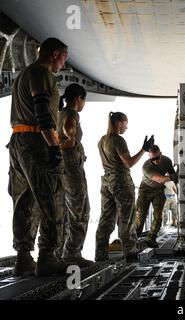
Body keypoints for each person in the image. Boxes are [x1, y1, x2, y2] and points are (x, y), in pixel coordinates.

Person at [8, 37, 68, 276]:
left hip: (18, 141)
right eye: (64, 58)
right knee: (52, 198)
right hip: (36, 142)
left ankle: (23, 258)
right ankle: (47, 256)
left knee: (25, 202)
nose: (64, 64)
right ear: (54, 54)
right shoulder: (43, 73)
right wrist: (54, 146)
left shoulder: (24, 74)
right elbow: (42, 112)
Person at [95, 112, 154, 262]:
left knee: (105, 219)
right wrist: (144, 150)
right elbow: (128, 163)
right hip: (121, 181)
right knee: (126, 219)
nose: (127, 127)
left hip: (106, 181)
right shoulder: (118, 140)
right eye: (126, 123)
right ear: (119, 123)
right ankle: (130, 253)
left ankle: (100, 255)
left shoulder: (102, 140)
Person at [56, 83, 93, 267]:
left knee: (65, 211)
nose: (84, 104)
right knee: (81, 209)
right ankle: (72, 253)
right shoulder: (71, 115)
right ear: (78, 98)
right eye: (84, 100)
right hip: (71, 166)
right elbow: (69, 138)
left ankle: (61, 252)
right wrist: (66, 148)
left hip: (63, 167)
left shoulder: (59, 113)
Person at [134, 145, 177, 248]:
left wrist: (178, 188)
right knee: (140, 217)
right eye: (153, 159)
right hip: (145, 190)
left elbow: (173, 174)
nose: (156, 160)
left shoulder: (167, 161)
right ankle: (134, 239)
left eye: (157, 158)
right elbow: (159, 179)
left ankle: (151, 238)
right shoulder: (146, 167)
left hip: (158, 190)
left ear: (160, 153)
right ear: (149, 156)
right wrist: (172, 176)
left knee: (158, 216)